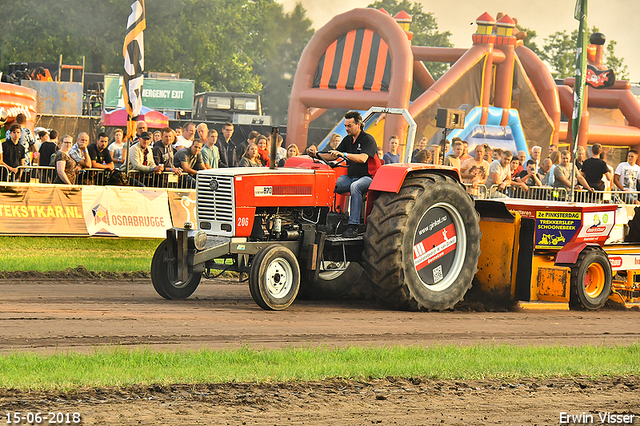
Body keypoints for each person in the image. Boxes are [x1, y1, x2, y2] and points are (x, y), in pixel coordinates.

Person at [315, 111, 378, 238]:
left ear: (358, 125)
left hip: (369, 177)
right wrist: (316, 154)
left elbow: (362, 158)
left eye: (349, 126)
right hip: (351, 177)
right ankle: (323, 220)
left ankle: (353, 226)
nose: (346, 129)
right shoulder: (347, 140)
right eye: (345, 126)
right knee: (331, 184)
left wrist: (343, 154)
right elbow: (333, 155)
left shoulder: (368, 139)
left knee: (356, 186)